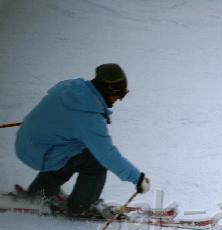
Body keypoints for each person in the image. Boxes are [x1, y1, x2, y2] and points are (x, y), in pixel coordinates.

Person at [15, 63, 150, 218]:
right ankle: (82, 206)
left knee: (76, 148)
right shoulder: (89, 117)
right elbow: (107, 154)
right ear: (109, 91)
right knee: (95, 162)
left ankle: (41, 192)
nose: (119, 99)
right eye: (120, 94)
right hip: (42, 152)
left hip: (29, 143)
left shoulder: (72, 87)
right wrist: (137, 178)